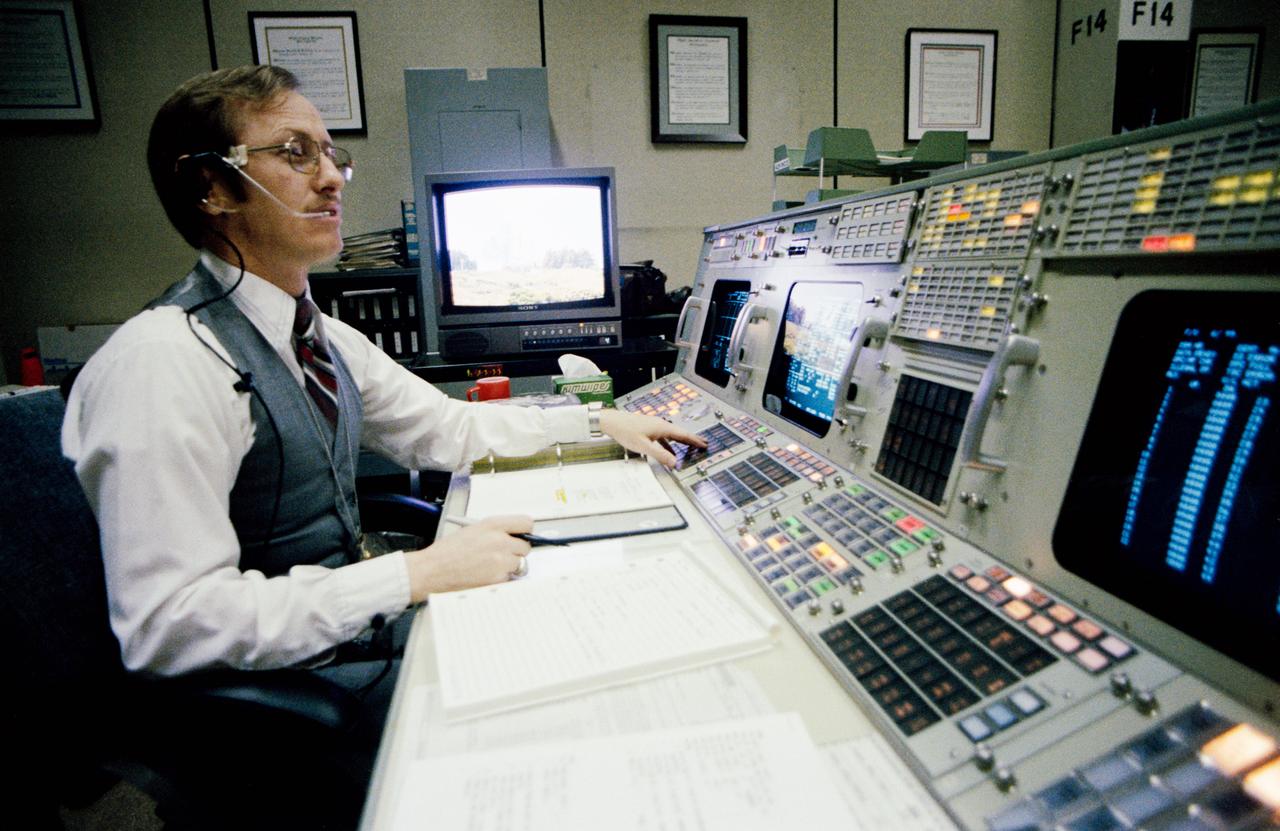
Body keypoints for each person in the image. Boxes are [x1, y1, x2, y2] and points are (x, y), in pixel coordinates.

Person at [61, 64, 704, 824]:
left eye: (332, 155)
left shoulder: (316, 334)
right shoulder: (163, 362)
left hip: (344, 637)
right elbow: (171, 625)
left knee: (581, 623)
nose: (331, 178)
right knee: (563, 710)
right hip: (285, 697)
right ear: (211, 187)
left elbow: (449, 427)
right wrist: (414, 573)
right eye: (295, 154)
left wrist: (597, 423)